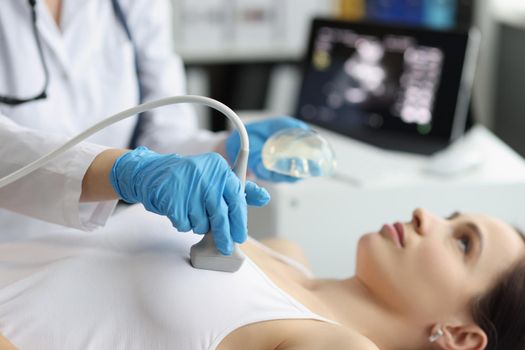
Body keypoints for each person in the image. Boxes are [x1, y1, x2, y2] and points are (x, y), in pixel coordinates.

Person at [0, 0, 307, 253]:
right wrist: (124, 172)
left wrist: (222, 151)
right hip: (11, 245)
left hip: (106, 245)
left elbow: (164, 129)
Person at [0, 205, 523, 349]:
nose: (424, 215)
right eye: (454, 215)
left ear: (458, 335)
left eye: (462, 243)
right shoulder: (286, 255)